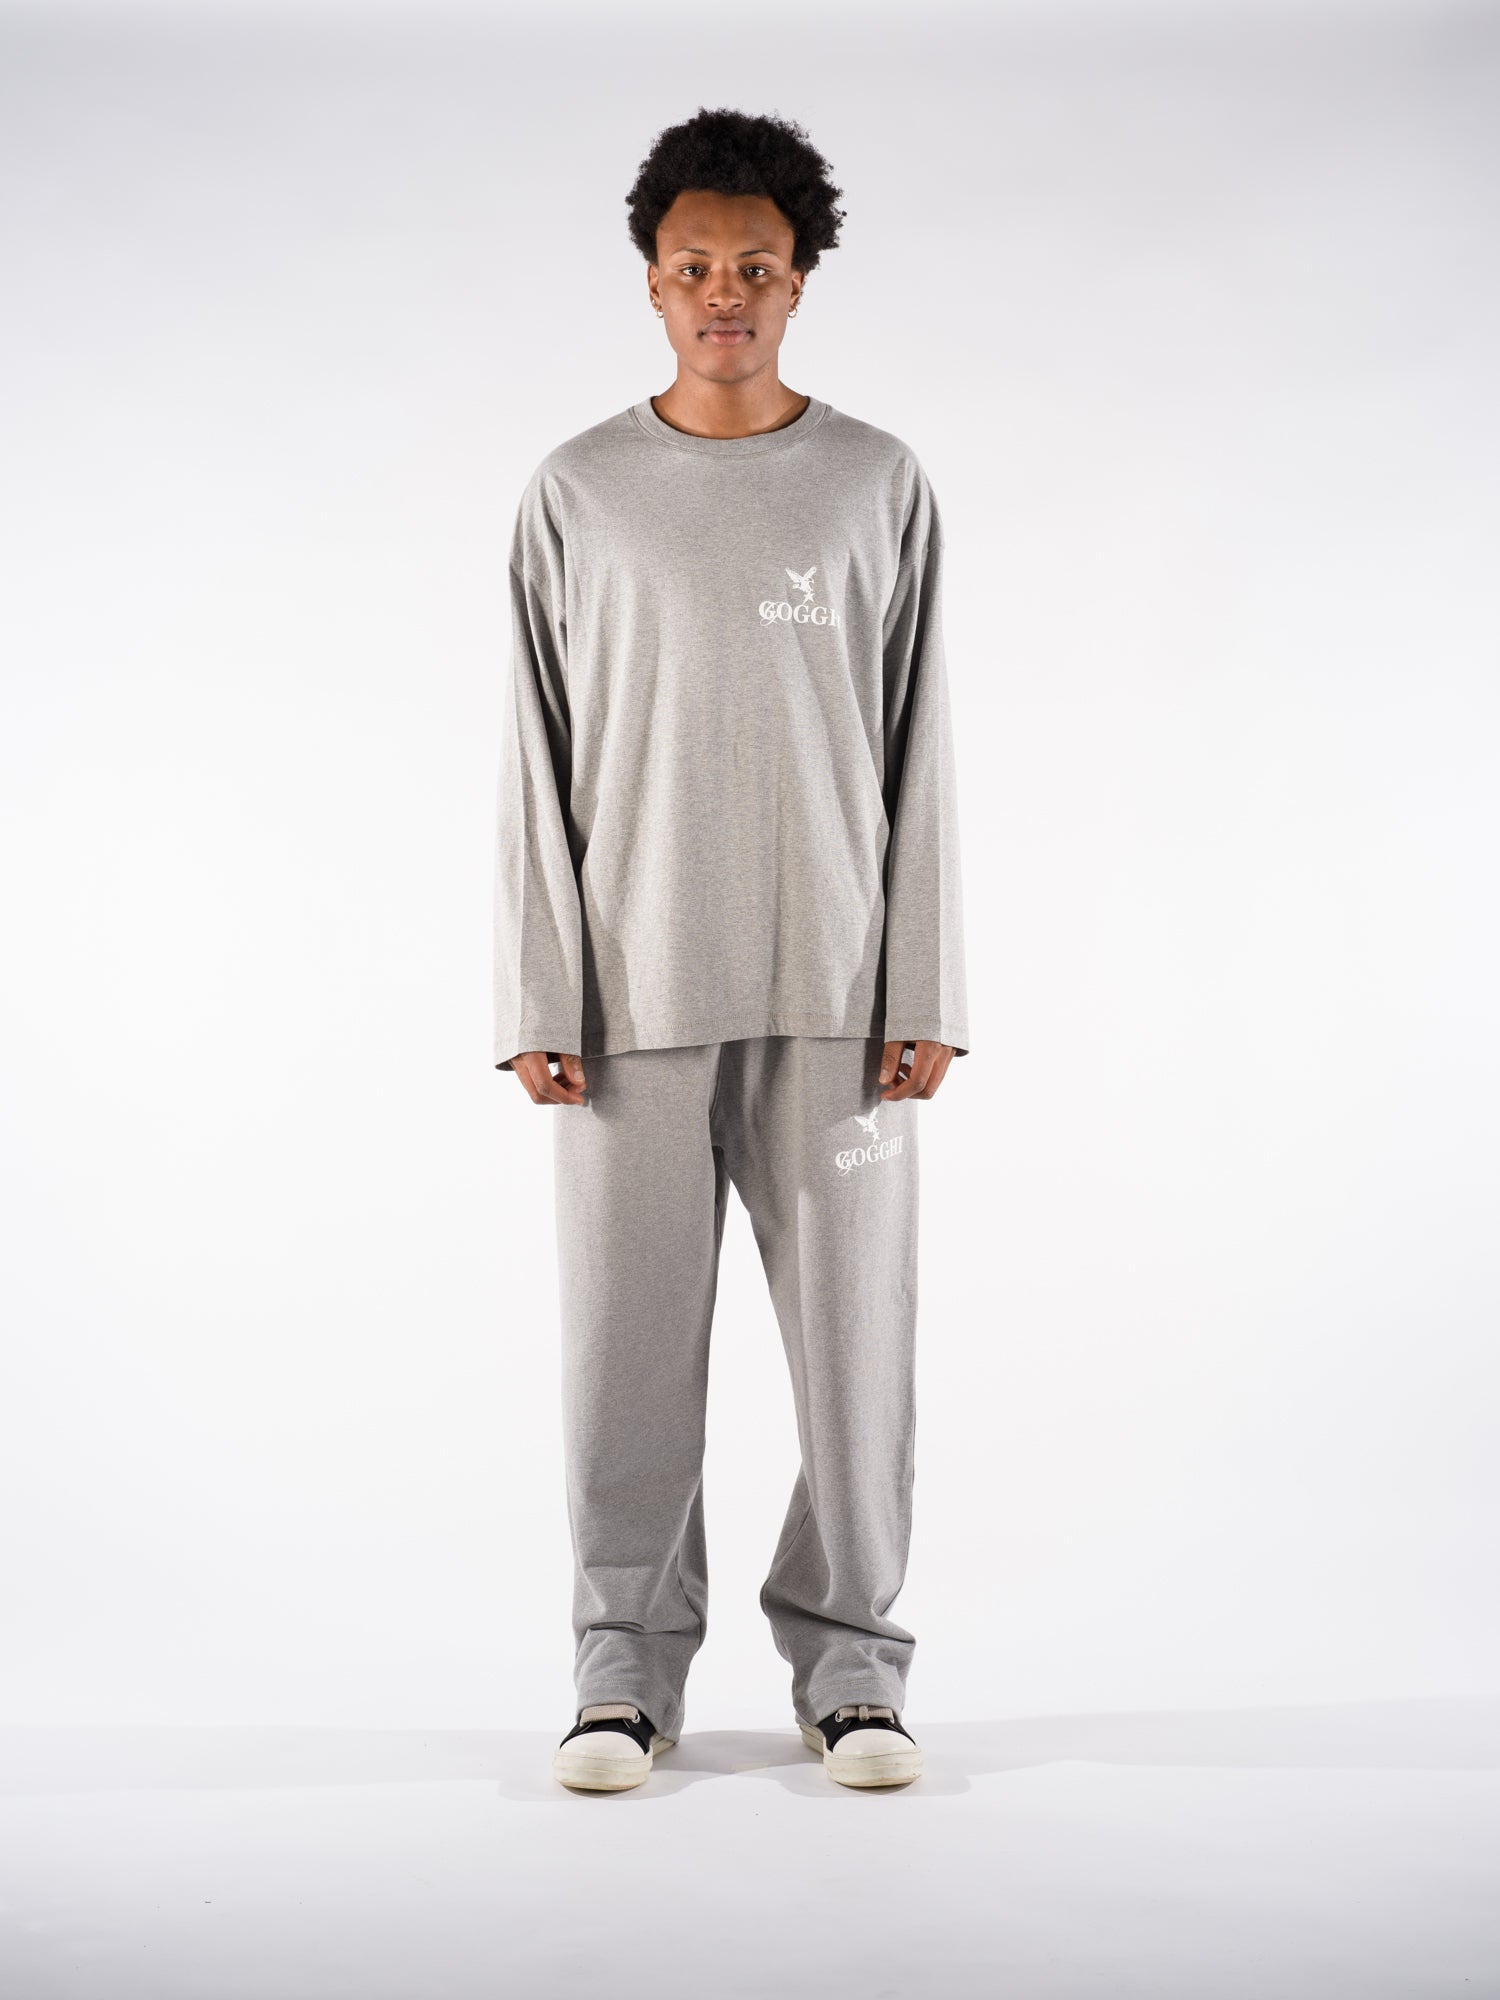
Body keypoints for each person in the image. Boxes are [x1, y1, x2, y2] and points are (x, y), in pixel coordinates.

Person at [492, 106, 970, 1793]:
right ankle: (623, 1676)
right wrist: (538, 992)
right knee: (624, 1354)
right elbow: (533, 755)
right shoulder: (577, 491)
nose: (723, 294)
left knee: (855, 1353)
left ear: (799, 280)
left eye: (754, 268)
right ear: (651, 280)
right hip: (627, 1003)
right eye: (694, 266)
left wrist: (927, 985)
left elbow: (921, 744)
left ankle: (854, 1672)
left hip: (841, 1000)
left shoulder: (876, 482)